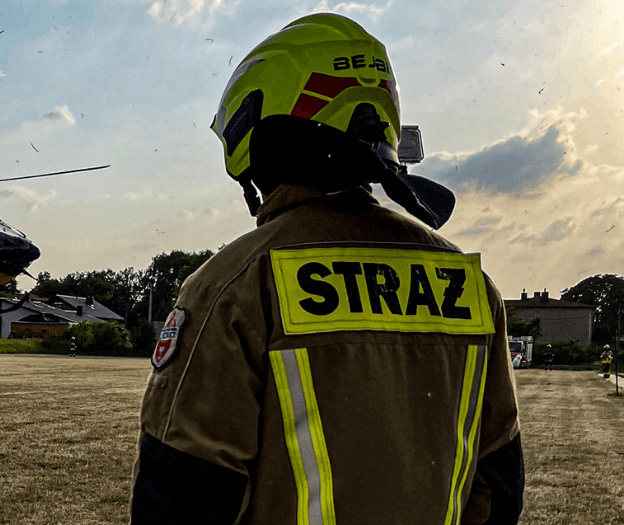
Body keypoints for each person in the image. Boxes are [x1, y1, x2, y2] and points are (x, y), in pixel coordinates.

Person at [131, 13, 523, 525]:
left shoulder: (235, 285)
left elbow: (184, 494)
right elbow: (499, 486)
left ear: (257, 128)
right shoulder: (471, 286)